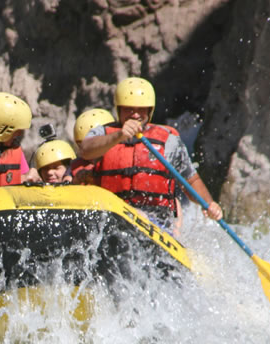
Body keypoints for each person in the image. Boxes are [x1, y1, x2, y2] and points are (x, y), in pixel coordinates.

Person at [78, 77, 222, 232]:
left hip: (156, 223)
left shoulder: (169, 141)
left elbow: (191, 180)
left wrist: (209, 204)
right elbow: (85, 151)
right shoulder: (103, 133)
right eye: (128, 109)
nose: (135, 115)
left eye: (141, 109)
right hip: (111, 218)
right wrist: (118, 136)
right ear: (119, 109)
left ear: (149, 110)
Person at [70, 108, 114, 184]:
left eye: (94, 146)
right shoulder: (74, 169)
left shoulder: (121, 159)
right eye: (82, 146)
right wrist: (75, 181)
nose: (89, 151)